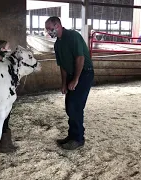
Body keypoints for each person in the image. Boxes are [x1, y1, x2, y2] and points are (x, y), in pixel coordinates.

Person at [45, 16, 94, 150]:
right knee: (69, 106)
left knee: (75, 106)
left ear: (58, 26)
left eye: (50, 29)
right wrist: (64, 83)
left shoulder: (73, 36)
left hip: (84, 73)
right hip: (72, 75)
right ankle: (72, 136)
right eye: (47, 30)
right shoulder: (57, 44)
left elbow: (80, 58)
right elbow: (62, 65)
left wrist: (76, 79)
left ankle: (78, 139)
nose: (49, 32)